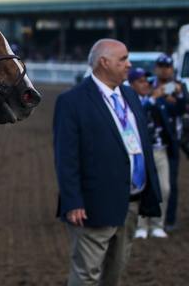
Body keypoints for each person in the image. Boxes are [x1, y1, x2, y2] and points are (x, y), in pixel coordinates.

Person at [54, 39, 161, 286]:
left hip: (131, 202)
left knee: (114, 274)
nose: (129, 65)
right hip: (93, 205)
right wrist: (73, 201)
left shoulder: (130, 95)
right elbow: (65, 156)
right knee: (86, 274)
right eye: (123, 59)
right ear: (104, 62)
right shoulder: (72, 101)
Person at [129, 67, 174, 239]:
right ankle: (141, 225)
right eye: (141, 81)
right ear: (132, 84)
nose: (145, 84)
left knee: (164, 188)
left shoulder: (155, 97)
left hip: (160, 149)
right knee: (141, 189)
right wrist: (153, 99)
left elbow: (176, 92)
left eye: (147, 81)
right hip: (139, 151)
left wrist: (175, 89)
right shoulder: (130, 100)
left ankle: (157, 224)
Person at [150, 54, 186, 231]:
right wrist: (163, 97)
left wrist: (160, 97)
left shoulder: (179, 86)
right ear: (156, 67)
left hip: (171, 140)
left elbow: (179, 107)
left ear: (172, 68)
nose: (164, 69)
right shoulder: (149, 83)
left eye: (167, 66)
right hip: (151, 140)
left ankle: (169, 220)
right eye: (161, 66)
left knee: (170, 183)